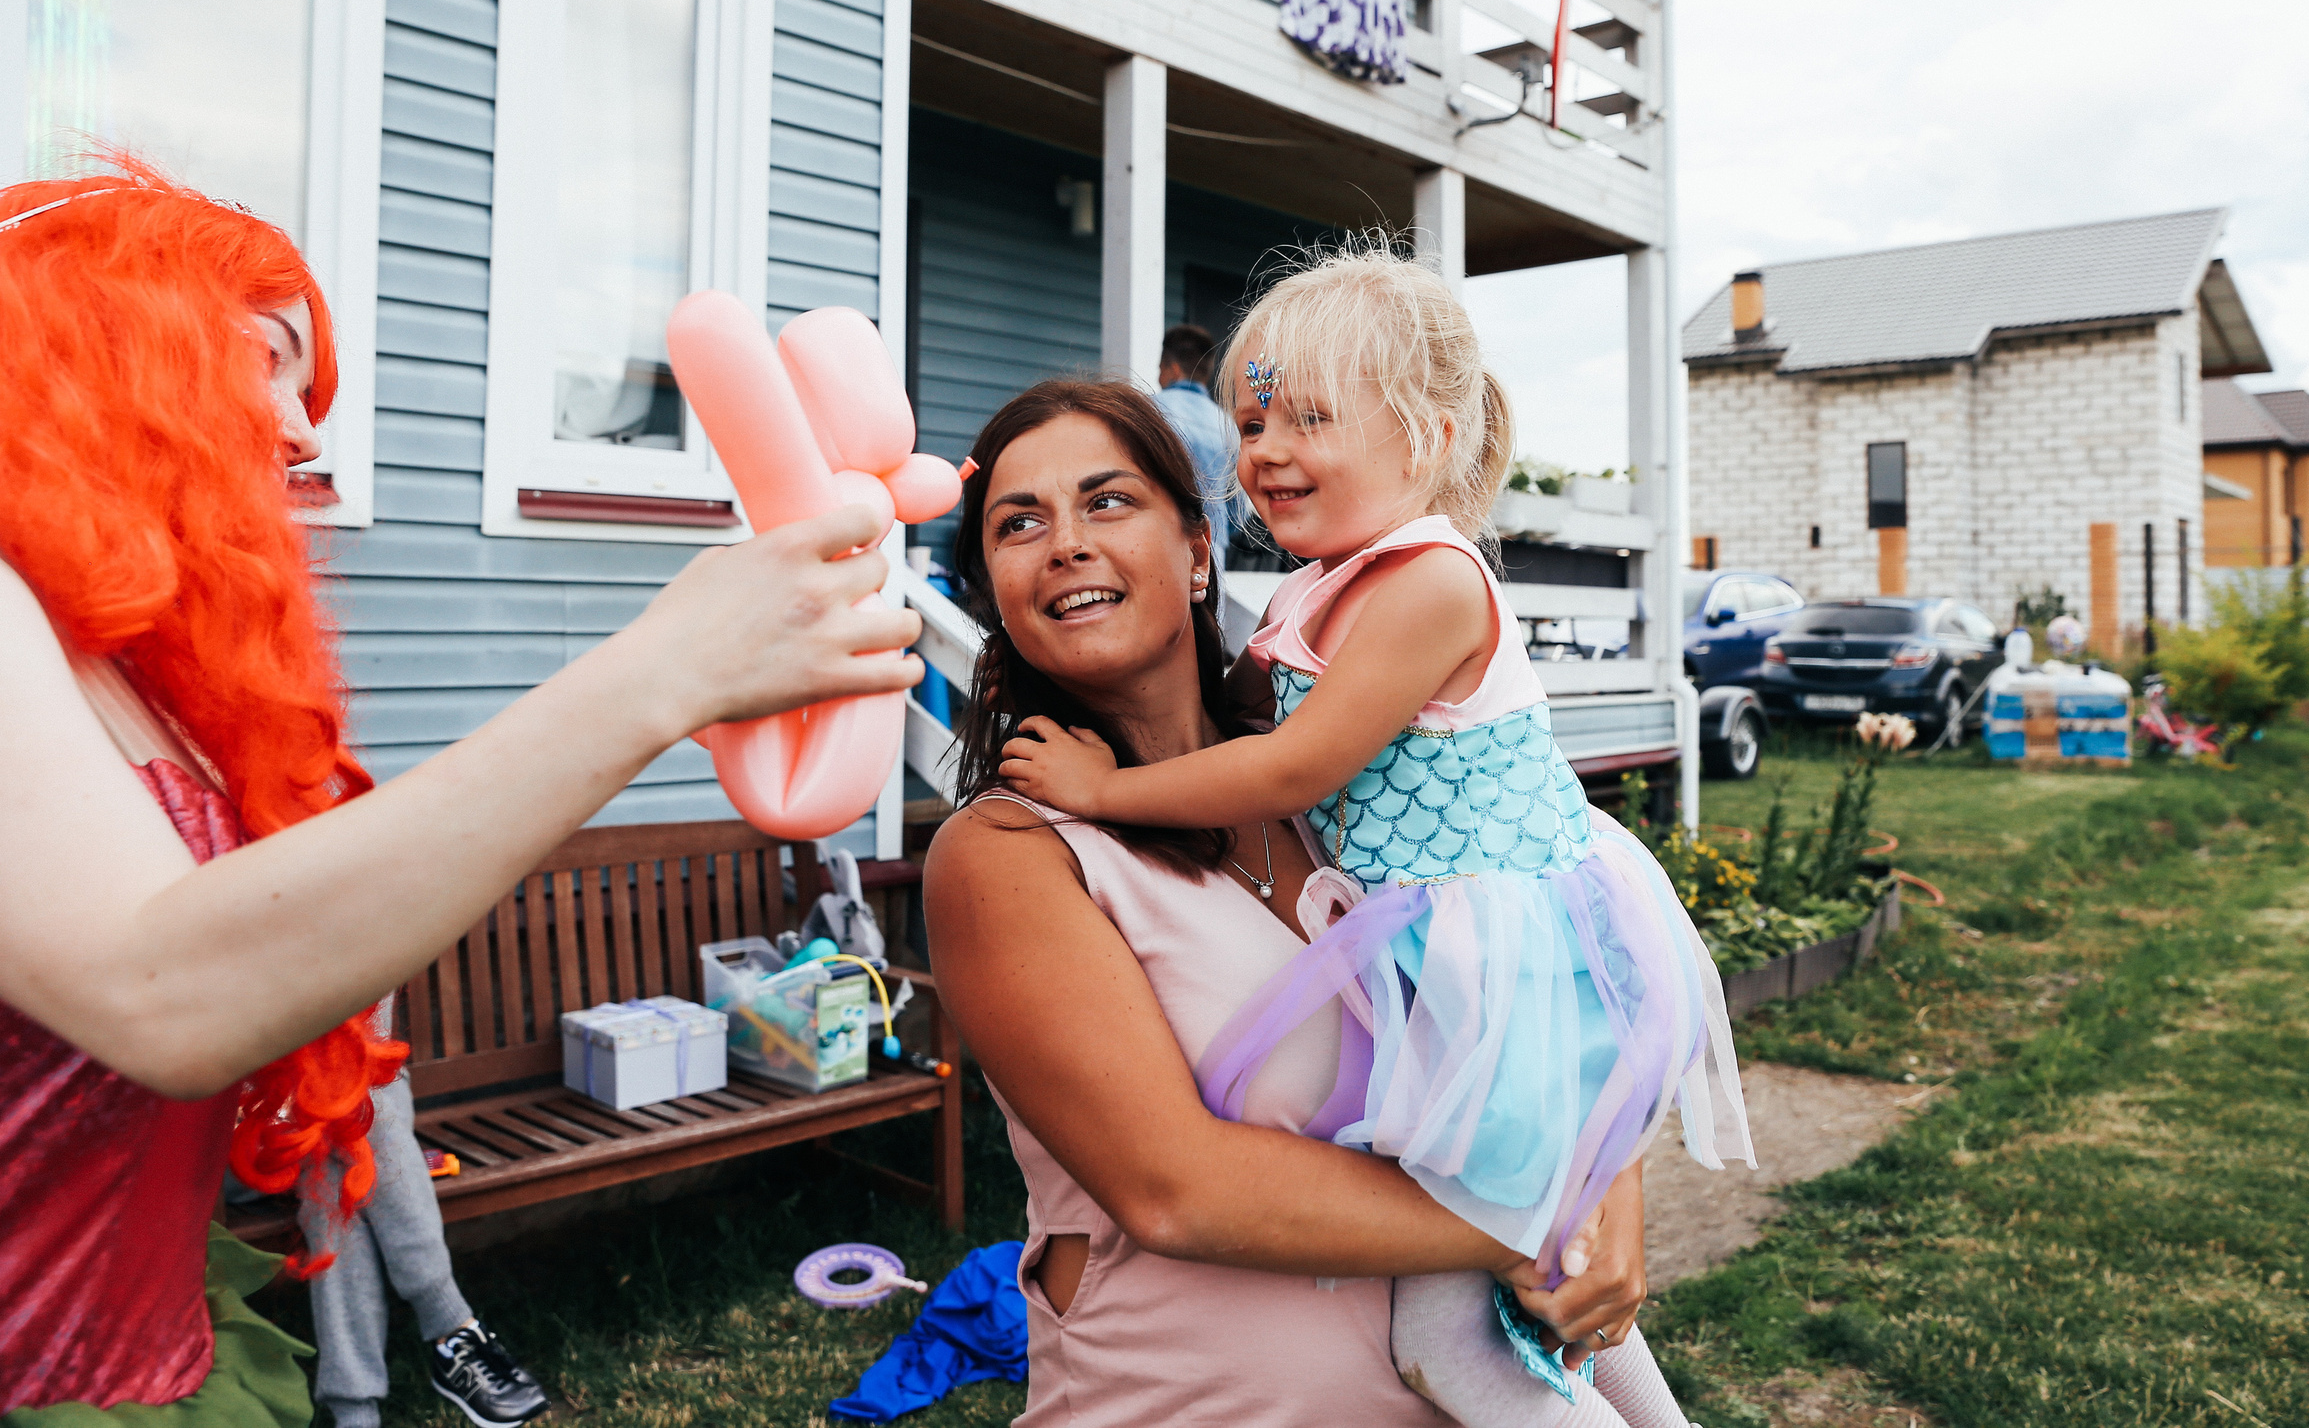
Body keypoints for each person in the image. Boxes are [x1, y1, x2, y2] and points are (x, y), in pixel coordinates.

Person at [0, 166, 922, 1421]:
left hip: (155, 1348)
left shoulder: (110, 663)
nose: (305, 431)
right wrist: (660, 674)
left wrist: (694, 696)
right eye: (269, 359)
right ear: (95, 337)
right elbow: (163, 998)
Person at [1000, 251, 1754, 1426]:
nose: (1067, 544)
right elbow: (1177, 1192)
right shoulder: (1019, 845)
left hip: (1501, 937)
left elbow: (1296, 761)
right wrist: (1540, 1205)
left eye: (1108, 502)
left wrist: (1599, 1179)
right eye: (1253, 422)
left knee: (1512, 1336)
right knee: (1469, 1335)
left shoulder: (1405, 605)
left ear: (1198, 549)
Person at [298, 1025, 547, 1428]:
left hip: (356, 1094)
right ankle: (452, 1327)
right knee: (347, 1119)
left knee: (335, 1173)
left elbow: (368, 1039)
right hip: (261, 1124)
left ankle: (355, 1415)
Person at [1154, 322, 1237, 568]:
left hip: (1157, 547)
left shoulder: (1147, 411)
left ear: (1173, 369)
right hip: (1212, 557)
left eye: (1160, 368)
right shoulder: (1228, 426)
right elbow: (1237, 510)